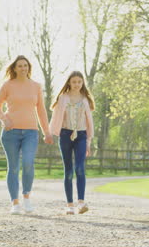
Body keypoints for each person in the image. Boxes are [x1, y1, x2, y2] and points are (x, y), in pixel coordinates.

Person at [0, 55, 54, 215]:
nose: (23, 68)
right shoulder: (7, 85)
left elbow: (41, 111)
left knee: (28, 163)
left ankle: (26, 197)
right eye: (19, 66)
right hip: (10, 133)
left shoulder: (36, 86)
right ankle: (15, 202)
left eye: (25, 65)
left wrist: (46, 131)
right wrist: (4, 119)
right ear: (14, 68)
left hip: (31, 132)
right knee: (13, 168)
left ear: (29, 67)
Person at [49, 71, 95, 215]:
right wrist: (51, 132)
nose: (76, 84)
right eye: (74, 82)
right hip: (65, 134)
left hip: (81, 135)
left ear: (82, 83)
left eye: (79, 82)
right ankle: (69, 205)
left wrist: (88, 141)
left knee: (80, 168)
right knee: (68, 170)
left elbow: (89, 122)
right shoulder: (63, 98)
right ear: (69, 82)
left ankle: (81, 202)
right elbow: (56, 116)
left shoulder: (85, 99)